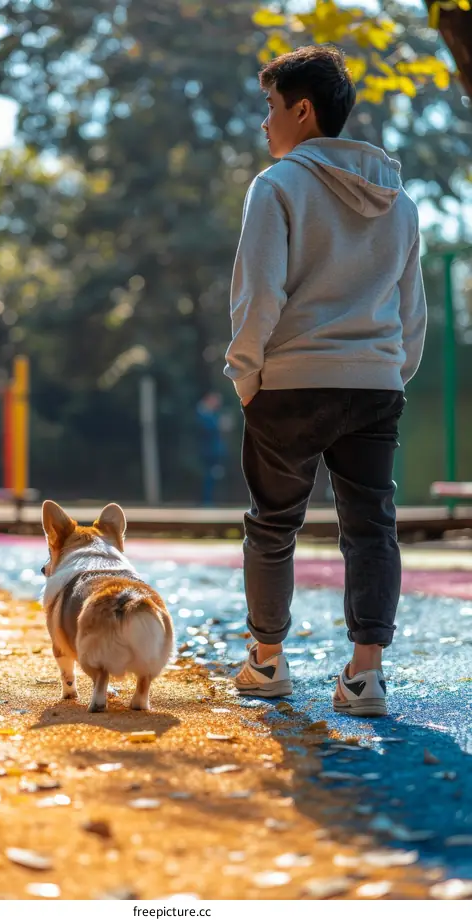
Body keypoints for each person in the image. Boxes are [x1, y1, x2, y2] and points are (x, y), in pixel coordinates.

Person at [223, 45, 427, 717]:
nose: (264, 123)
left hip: (289, 381)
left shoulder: (277, 186)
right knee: (372, 527)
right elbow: (411, 311)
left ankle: (267, 661)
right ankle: (366, 677)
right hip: (374, 383)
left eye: (271, 107)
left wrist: (246, 375)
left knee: (273, 522)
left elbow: (258, 296)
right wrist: (390, 375)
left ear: (302, 110)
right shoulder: (398, 203)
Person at [196, 392, 227, 506]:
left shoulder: (212, 414)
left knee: (213, 477)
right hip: (208, 452)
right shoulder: (203, 414)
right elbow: (207, 430)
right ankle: (207, 502)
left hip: (214, 451)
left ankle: (210, 501)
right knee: (208, 476)